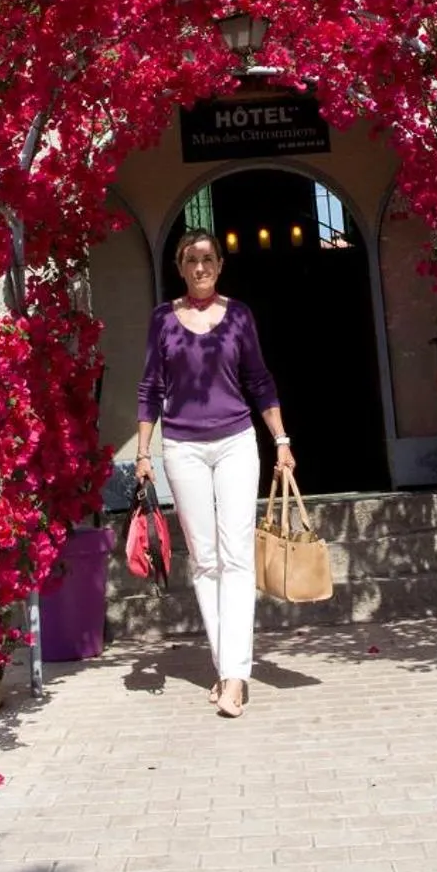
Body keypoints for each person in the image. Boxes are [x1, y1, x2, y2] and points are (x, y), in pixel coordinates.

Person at [135, 228, 294, 718]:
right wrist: (144, 452)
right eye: (191, 260)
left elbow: (259, 380)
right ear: (180, 268)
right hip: (181, 447)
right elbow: (150, 387)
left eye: (208, 259)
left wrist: (281, 439)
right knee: (204, 560)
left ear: (220, 265)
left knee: (237, 555)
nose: (200, 267)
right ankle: (225, 666)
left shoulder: (239, 316)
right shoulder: (163, 319)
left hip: (236, 443)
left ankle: (234, 676)